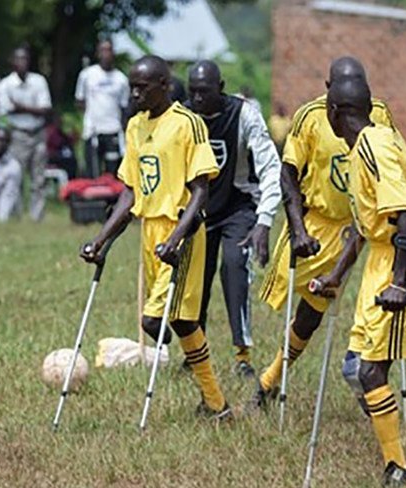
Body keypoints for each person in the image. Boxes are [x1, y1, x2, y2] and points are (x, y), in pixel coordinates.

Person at [80, 55, 230, 420]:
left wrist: (177, 238)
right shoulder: (134, 127)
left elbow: (200, 191)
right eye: (132, 86)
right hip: (150, 231)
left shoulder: (187, 124)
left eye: (143, 87)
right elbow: (129, 193)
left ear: (164, 85)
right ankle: (216, 404)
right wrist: (101, 241)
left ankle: (209, 398)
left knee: (154, 321)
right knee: (182, 322)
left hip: (181, 233)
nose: (134, 93)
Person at [254, 58, 398, 406]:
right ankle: (264, 374)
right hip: (314, 221)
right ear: (328, 88)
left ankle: (272, 380)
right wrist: (298, 229)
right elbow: (288, 175)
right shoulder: (309, 116)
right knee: (292, 300)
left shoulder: (379, 113)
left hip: (355, 226)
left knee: (321, 308)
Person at [317, 76, 406, 487]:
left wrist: (400, 282)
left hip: (401, 261)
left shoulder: (375, 145)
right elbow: (362, 228)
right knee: (355, 369)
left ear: (335, 113)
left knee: (370, 371)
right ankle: (389, 442)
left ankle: (397, 468)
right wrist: (334, 277)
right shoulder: (357, 151)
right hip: (379, 260)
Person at [185, 61, 281, 377]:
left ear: (221, 87)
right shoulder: (184, 118)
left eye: (205, 92)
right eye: (193, 92)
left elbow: (270, 168)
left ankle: (243, 356)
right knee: (194, 281)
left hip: (237, 208)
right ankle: (194, 353)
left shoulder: (244, 115)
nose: (198, 99)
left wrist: (264, 220)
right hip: (196, 210)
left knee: (233, 266)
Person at [0, 45, 52, 220]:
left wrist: (21, 107)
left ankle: (38, 216)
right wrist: (31, 109)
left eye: (25, 59)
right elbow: (6, 110)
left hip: (37, 132)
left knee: (39, 177)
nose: (22, 63)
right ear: (12, 62)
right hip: (18, 134)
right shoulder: (6, 84)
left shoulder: (39, 81)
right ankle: (17, 214)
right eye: (19, 59)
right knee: (17, 177)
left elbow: (45, 110)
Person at [75, 39, 129, 178]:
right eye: (103, 50)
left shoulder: (121, 79)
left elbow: (124, 107)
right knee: (93, 171)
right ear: (98, 53)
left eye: (109, 50)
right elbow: (80, 100)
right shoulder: (87, 75)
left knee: (114, 172)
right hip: (93, 131)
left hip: (113, 130)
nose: (106, 54)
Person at [0, 129, 23, 222]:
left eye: (2, 140)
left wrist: (2, 220)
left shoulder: (13, 166)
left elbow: (8, 196)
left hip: (5, 213)